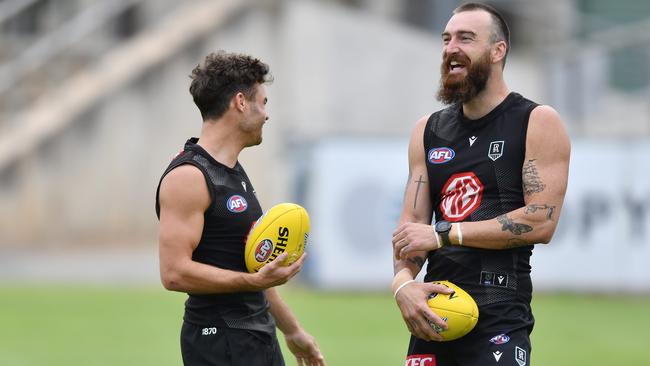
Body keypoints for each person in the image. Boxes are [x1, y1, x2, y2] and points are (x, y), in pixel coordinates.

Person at [391, 3, 570, 366]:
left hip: (500, 313)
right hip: (435, 311)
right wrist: (404, 286)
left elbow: (541, 220)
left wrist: (444, 233)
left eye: (465, 38)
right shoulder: (428, 130)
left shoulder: (536, 120)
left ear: (497, 51)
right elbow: (410, 229)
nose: (450, 48)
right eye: (446, 39)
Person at [155, 51, 325, 366]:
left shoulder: (232, 171)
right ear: (241, 102)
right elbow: (174, 273)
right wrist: (254, 282)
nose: (266, 114)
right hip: (219, 339)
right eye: (263, 102)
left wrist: (292, 330)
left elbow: (253, 271)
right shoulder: (189, 177)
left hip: (256, 334)